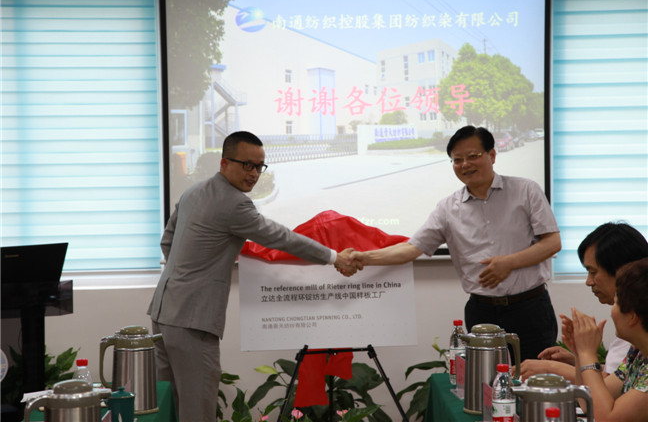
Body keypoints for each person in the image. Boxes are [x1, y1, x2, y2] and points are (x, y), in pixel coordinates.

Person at [147, 131, 357, 422]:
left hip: (163, 313)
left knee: (166, 407)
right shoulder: (234, 203)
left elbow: (167, 241)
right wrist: (335, 257)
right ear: (224, 163)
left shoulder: (193, 191)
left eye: (260, 166)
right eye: (247, 165)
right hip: (192, 320)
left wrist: (185, 277)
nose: (255, 174)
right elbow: (281, 237)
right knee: (197, 410)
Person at [350, 125, 561, 362]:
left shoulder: (526, 190)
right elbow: (412, 248)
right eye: (457, 160)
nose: (465, 164)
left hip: (530, 308)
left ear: (492, 155)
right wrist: (364, 257)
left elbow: (552, 242)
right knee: (486, 381)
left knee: (536, 374)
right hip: (482, 312)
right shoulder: (447, 208)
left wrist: (509, 262)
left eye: (473, 156)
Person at [520, 222, 648, 381]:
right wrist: (577, 360)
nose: (588, 282)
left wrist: (551, 368)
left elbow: (607, 389)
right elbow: (621, 376)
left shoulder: (635, 329)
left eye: (593, 272)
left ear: (623, 270)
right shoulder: (633, 344)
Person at [562, 258, 648, 422]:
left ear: (632, 316)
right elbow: (589, 402)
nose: (611, 311)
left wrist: (588, 353)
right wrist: (580, 353)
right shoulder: (637, 353)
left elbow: (606, 418)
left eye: (615, 302)